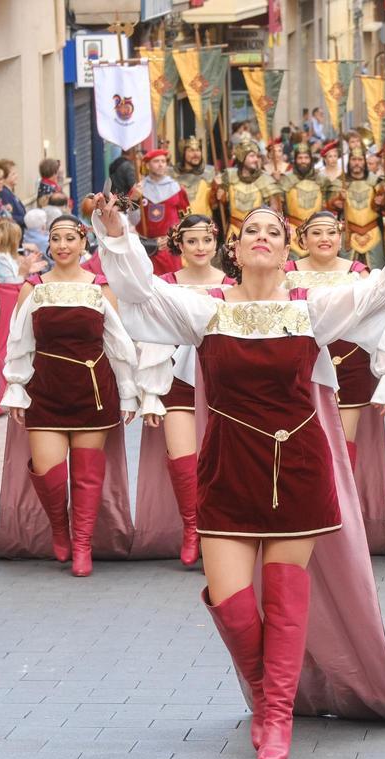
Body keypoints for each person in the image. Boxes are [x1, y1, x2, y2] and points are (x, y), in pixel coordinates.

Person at [93, 187, 385, 759]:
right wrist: (117, 233)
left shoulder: (311, 310)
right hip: (226, 468)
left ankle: (275, 716)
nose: (262, 237)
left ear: (285, 248)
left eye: (272, 230)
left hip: (297, 466)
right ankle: (269, 693)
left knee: (287, 599)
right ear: (236, 251)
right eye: (251, 232)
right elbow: (138, 291)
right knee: (232, 601)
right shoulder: (205, 308)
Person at [1, 215, 140, 577]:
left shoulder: (100, 287)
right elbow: (19, 341)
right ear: (48, 244)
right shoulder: (33, 288)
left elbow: (118, 343)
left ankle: (82, 544)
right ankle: (59, 529)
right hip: (46, 389)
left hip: (92, 390)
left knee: (86, 474)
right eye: (56, 238)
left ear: (83, 243)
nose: (62, 245)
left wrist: (128, 392)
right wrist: (16, 386)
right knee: (48, 471)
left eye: (70, 238)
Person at [136, 215, 233, 566]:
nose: (200, 248)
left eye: (206, 240)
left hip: (222, 381)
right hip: (176, 380)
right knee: (183, 458)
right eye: (192, 241)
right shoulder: (165, 284)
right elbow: (151, 338)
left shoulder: (232, 285)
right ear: (180, 244)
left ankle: (217, 532)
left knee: (221, 461)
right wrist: (149, 393)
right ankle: (193, 529)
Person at [282, 210, 385, 461]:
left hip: (348, 363)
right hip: (298, 367)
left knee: (343, 448)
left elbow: (377, 322)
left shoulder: (358, 274)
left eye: (331, 232)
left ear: (340, 237)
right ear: (302, 239)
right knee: (303, 446)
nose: (325, 238)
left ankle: (342, 501)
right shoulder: (287, 274)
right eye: (316, 233)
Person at [130, 149, 191, 277]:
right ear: (147, 165)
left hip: (169, 247)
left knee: (172, 284)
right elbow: (132, 221)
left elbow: (186, 219)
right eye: (156, 161)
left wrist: (174, 238)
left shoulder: (177, 189)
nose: (161, 164)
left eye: (163, 161)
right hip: (146, 247)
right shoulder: (138, 189)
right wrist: (134, 200)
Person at [328, 144, 385, 269]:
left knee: (375, 274)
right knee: (347, 274)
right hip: (349, 234)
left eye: (360, 160)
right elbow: (329, 207)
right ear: (349, 162)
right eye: (354, 160)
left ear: (364, 162)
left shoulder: (375, 182)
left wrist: (381, 202)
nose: (357, 163)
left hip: (373, 234)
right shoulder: (340, 182)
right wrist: (337, 201)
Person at [279, 144, 334, 259]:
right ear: (295, 159)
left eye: (306, 157)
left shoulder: (322, 179)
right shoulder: (286, 179)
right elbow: (279, 207)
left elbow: (330, 205)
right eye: (300, 158)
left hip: (317, 227)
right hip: (292, 229)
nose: (303, 161)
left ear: (311, 159)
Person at [221, 142, 282, 237]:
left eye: (257, 156)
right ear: (241, 157)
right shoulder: (229, 176)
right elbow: (220, 203)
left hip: (258, 233)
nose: (256, 160)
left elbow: (275, 211)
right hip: (233, 231)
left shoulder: (266, 180)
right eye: (252, 156)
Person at [0, 158, 28, 229]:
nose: (17, 176)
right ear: (3, 177)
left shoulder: (8, 191)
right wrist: (27, 220)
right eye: (13, 174)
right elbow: (8, 217)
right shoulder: (3, 193)